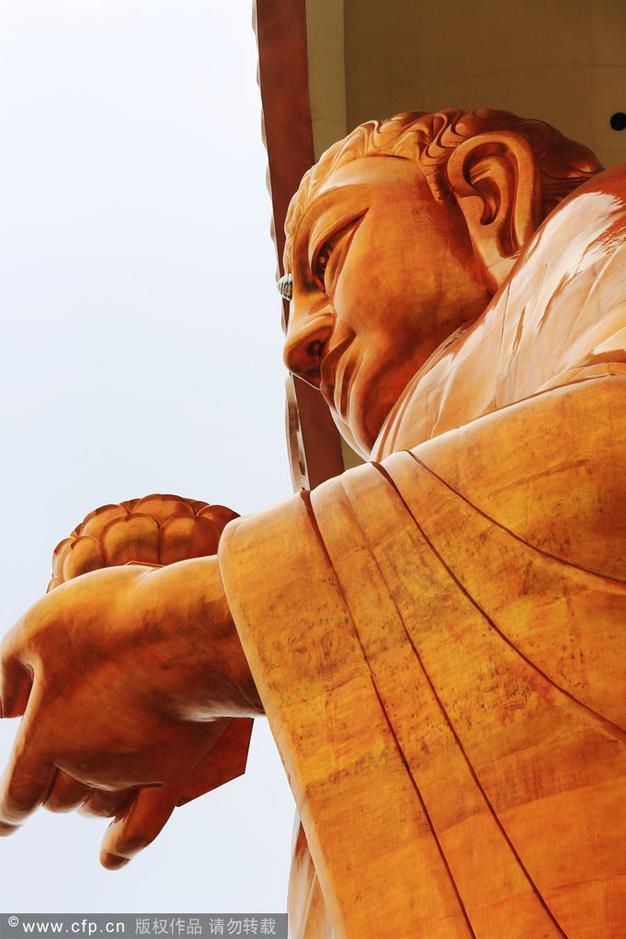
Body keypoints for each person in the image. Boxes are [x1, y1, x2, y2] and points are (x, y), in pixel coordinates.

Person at [1, 109, 625, 937]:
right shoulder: (413, 485)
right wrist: (245, 612)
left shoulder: (593, 243)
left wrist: (199, 625)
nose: (300, 343)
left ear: (487, 191)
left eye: (328, 257)